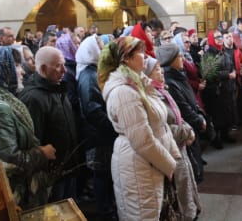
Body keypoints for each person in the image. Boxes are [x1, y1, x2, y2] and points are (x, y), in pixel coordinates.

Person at [98, 36, 180, 220]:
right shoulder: (124, 92)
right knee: (143, 215)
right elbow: (143, 140)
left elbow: (161, 124)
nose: (146, 56)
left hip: (150, 162)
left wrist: (172, 155)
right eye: (141, 53)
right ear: (126, 58)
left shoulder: (139, 83)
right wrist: (169, 164)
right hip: (138, 165)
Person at [0, 46, 56, 209]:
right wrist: (42, 153)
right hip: (10, 195)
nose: (22, 72)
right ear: (0, 69)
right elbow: (7, 161)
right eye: (16, 65)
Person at [144, 56, 202, 221]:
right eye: (156, 69)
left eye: (160, 68)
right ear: (146, 74)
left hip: (179, 145)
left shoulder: (163, 90)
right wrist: (186, 132)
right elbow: (161, 128)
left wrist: (187, 128)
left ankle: (190, 212)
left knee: (186, 184)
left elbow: (177, 116)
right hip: (170, 148)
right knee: (178, 190)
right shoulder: (151, 97)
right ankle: (185, 215)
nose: (161, 71)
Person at [18, 46, 79, 202]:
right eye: (58, 65)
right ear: (44, 69)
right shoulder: (33, 98)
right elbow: (34, 140)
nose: (64, 70)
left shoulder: (57, 89)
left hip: (68, 168)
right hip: (50, 175)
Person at [76, 34, 118, 219]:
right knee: (102, 175)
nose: (103, 50)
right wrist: (113, 126)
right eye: (99, 46)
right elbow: (92, 110)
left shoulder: (94, 72)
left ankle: (107, 207)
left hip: (103, 134)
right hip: (98, 136)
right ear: (91, 51)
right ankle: (104, 211)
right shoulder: (88, 76)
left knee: (106, 174)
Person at [156, 43, 207, 184]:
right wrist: (198, 119)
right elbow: (182, 107)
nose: (182, 59)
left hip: (191, 125)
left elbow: (189, 98)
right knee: (191, 169)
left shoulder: (178, 75)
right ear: (170, 59)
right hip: (184, 128)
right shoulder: (170, 80)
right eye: (179, 56)